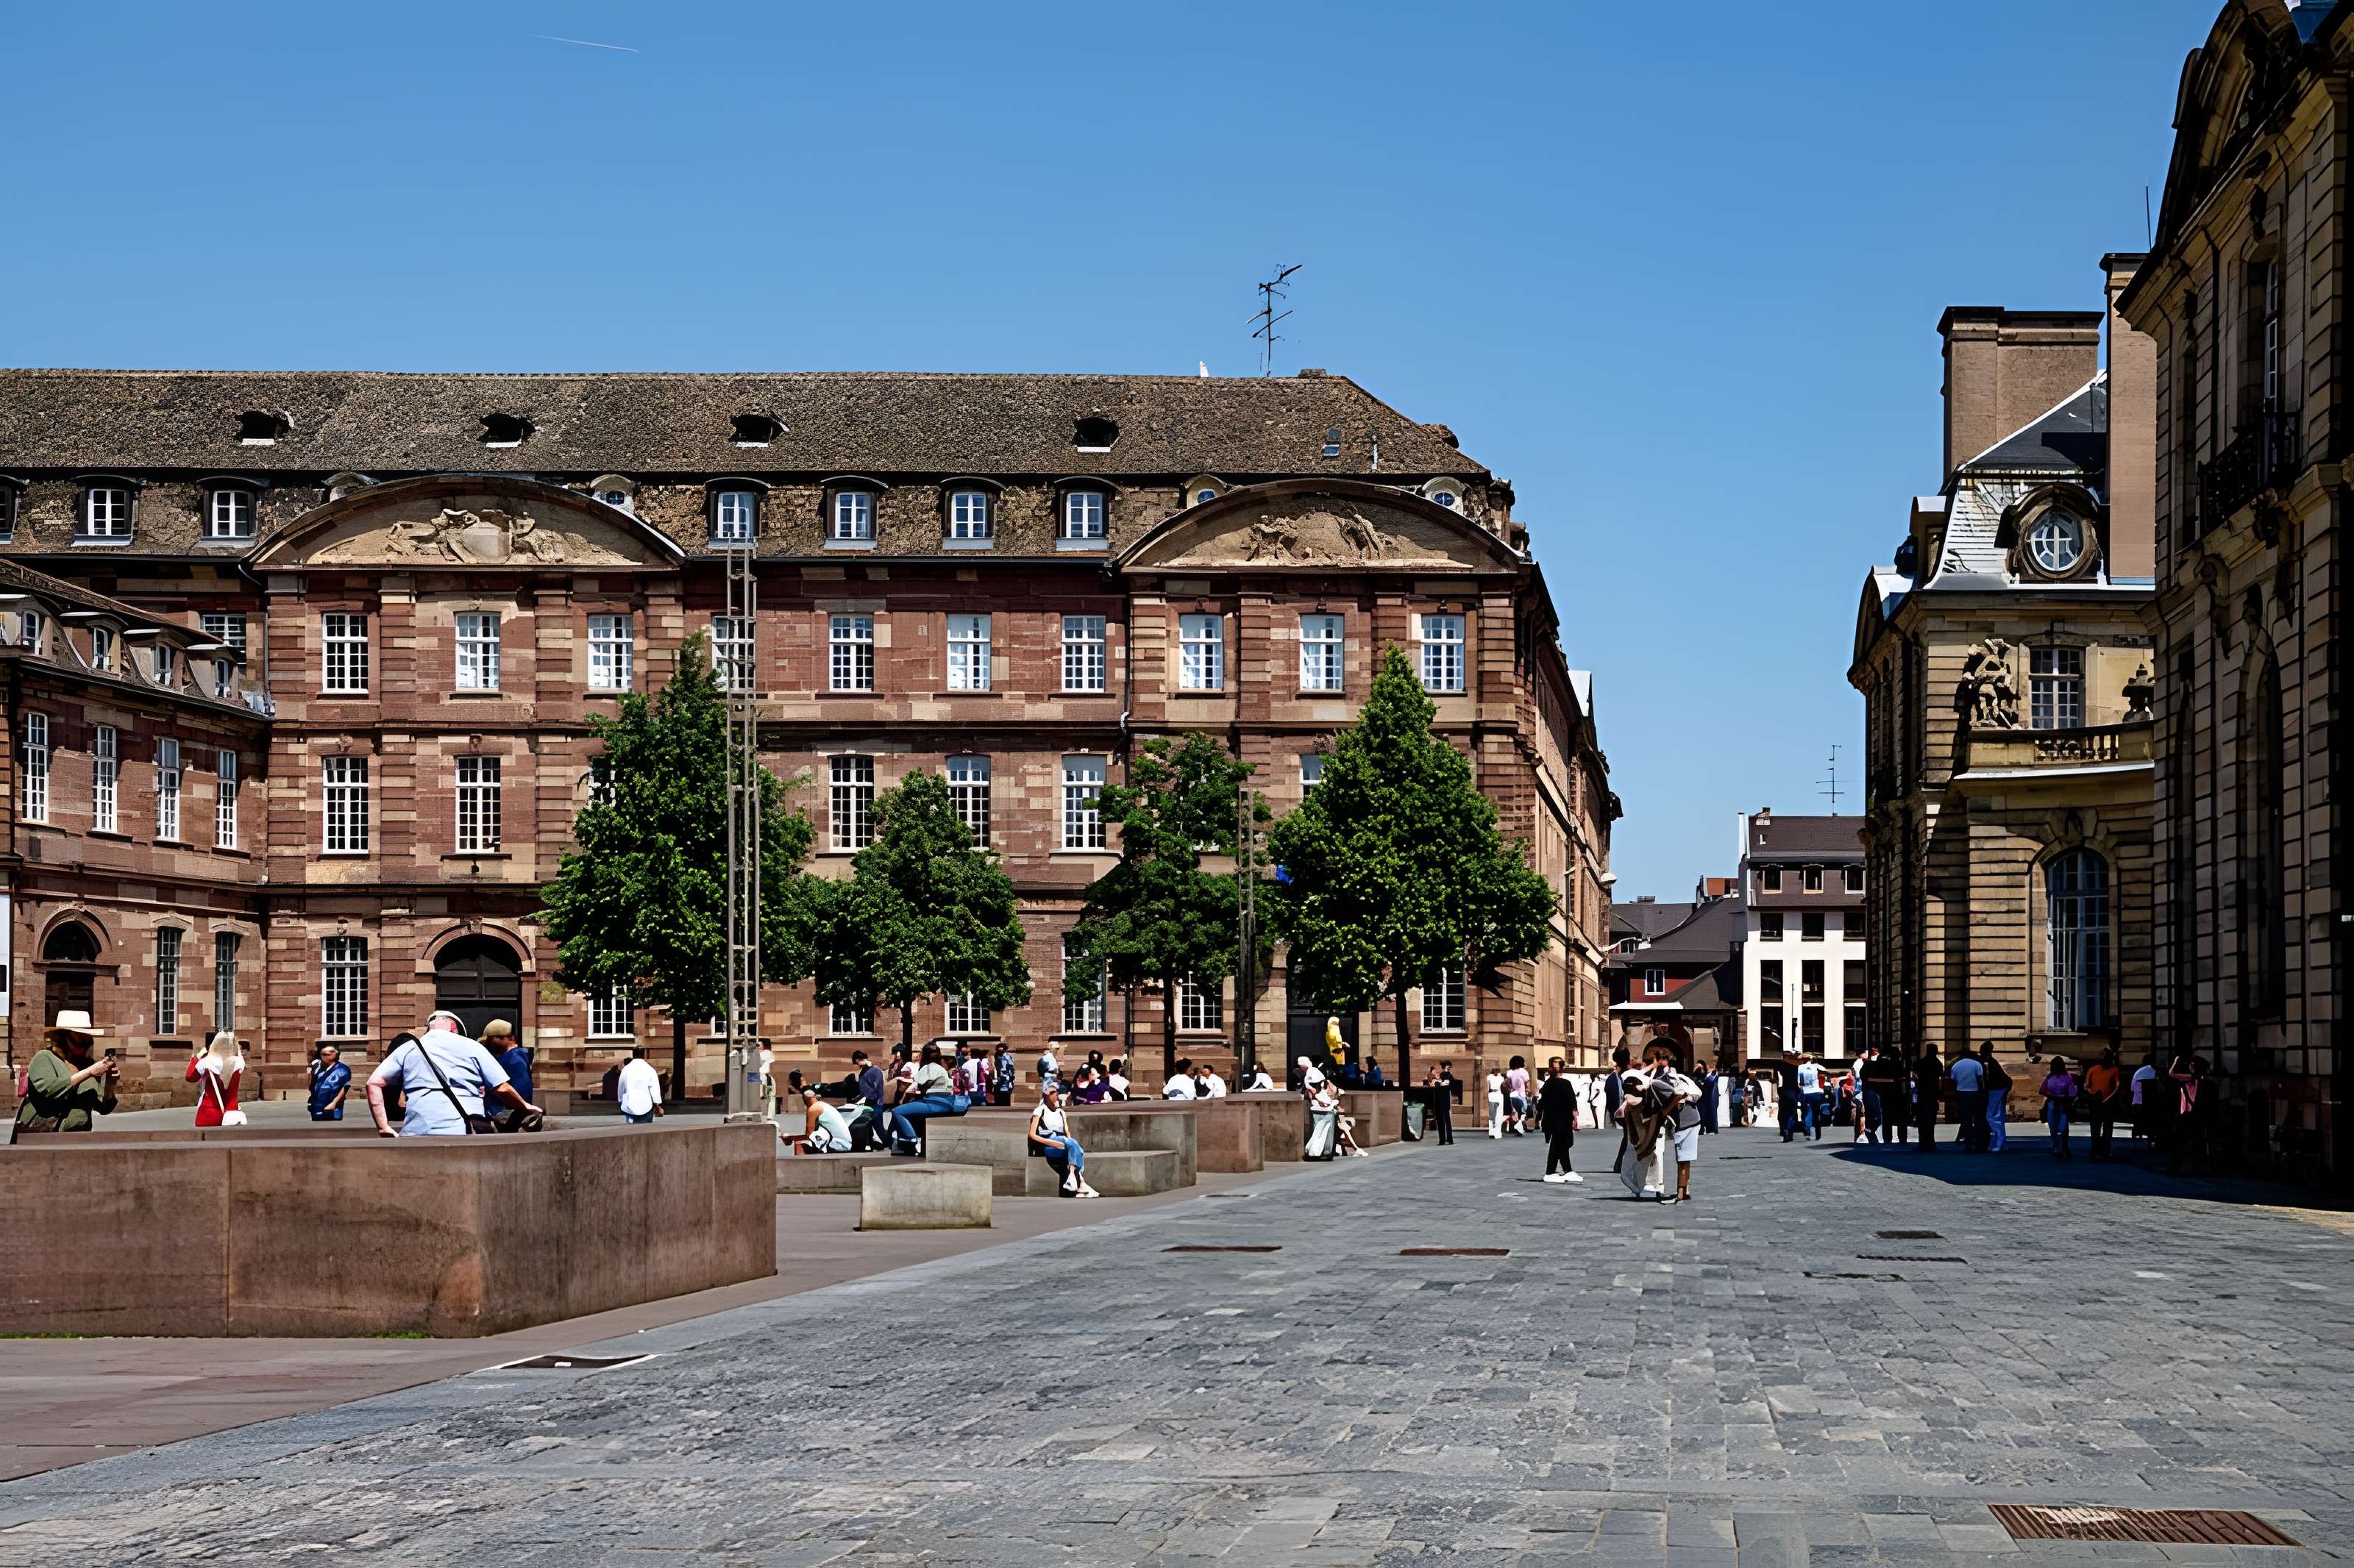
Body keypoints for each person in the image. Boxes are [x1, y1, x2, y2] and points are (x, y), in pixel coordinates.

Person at [368, 1011, 540, 1137]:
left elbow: (373, 1083)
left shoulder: (409, 1048)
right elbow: (502, 1089)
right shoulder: (473, 1046)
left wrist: (383, 1126)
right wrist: (525, 1106)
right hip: (462, 1130)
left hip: (416, 1131)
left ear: (429, 1029)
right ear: (455, 1029)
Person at [15, 1011, 118, 1133]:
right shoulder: (44, 1057)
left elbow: (103, 1108)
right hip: (43, 1136)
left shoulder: (86, 1064)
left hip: (78, 1139)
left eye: (87, 1036)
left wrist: (110, 1087)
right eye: (80, 1036)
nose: (86, 1041)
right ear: (62, 1037)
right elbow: (50, 1091)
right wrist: (89, 1072)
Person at [887, 1042, 963, 1154]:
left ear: (924, 1055)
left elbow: (917, 1085)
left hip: (934, 1104)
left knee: (897, 1111)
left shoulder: (928, 1068)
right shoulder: (942, 1070)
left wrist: (905, 1097)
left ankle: (912, 1139)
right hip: (947, 1102)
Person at [1028, 1083, 1099, 1197]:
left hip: (1063, 1142)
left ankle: (1074, 1178)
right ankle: (1080, 1182)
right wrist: (1053, 1143)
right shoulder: (1040, 1111)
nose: (1055, 1095)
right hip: (1048, 1145)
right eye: (1052, 1093)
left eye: (1056, 1092)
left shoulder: (1061, 1112)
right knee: (1074, 1146)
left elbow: (1067, 1134)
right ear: (1046, 1095)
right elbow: (1032, 1135)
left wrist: (1065, 1143)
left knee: (1076, 1148)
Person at [187, 1032, 246, 1127]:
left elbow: (190, 1077)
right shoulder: (239, 1061)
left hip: (210, 1111)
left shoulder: (208, 1061)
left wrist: (197, 1057)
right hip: (232, 1112)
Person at [1539, 1064, 1583, 1183]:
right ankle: (1550, 1172)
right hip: (1562, 1119)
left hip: (1553, 1119)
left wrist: (1539, 1117)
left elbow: (1541, 1103)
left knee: (1561, 1145)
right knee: (1558, 1145)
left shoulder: (1548, 1084)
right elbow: (1573, 1101)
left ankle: (1567, 1170)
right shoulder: (1565, 1083)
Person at [2081, 1048, 2123, 1161]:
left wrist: (2109, 1099)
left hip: (2108, 1103)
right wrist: (2093, 1095)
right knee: (2095, 1128)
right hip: (2096, 1102)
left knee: (2107, 1129)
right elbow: (2087, 1086)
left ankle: (2105, 1150)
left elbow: (2117, 1086)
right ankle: (2095, 1150)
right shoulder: (2093, 1070)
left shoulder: (2114, 1070)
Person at [481, 1020, 533, 1111]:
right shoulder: (514, 1056)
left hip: (504, 1115)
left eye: (492, 1039)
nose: (490, 1044)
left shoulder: (514, 1060)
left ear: (510, 1039)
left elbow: (523, 1092)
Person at [1947, 1046, 1987, 1152]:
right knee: (1978, 1119)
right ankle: (1979, 1144)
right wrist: (1982, 1093)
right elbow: (1980, 1080)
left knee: (1966, 1120)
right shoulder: (1976, 1064)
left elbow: (1954, 1081)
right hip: (1975, 1093)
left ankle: (1968, 1144)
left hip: (1961, 1094)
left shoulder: (1956, 1066)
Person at [2039, 1056, 2078, 1160]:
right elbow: (2042, 1090)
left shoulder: (2067, 1077)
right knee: (2053, 1126)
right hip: (2053, 1103)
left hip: (2062, 1104)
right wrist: (2050, 1094)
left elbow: (2072, 1093)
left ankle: (2064, 1148)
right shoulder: (2050, 1077)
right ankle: (2057, 1146)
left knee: (2063, 1126)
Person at [797, 1084, 854, 1153]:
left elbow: (808, 1134)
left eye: (803, 1097)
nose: (802, 1100)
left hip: (836, 1145)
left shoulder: (814, 1108)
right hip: (845, 1145)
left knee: (801, 1144)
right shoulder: (823, 1106)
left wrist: (791, 1139)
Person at [616, 1046, 664, 1125]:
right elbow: (654, 1088)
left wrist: (620, 1100)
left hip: (629, 1106)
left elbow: (621, 1087)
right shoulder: (649, 1069)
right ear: (644, 1055)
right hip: (646, 1106)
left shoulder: (626, 1069)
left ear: (633, 1055)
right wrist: (657, 1103)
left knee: (630, 1129)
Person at [1604, 1047, 1632, 1171]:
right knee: (1628, 1137)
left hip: (1621, 1112)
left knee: (1627, 1137)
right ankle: (1621, 1164)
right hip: (1625, 1112)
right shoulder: (1620, 1077)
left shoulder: (1613, 1078)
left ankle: (1619, 1164)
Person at [1980, 1042, 2011, 1152]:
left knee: (1992, 1117)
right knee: (1997, 1117)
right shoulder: (1991, 1062)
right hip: (1999, 1089)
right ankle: (1999, 1143)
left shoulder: (1988, 1063)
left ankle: (1997, 1144)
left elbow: (1987, 1080)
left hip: (1995, 1091)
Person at [307, 1043, 352, 1122]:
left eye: (327, 1054)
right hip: (317, 1109)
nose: (324, 1057)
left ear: (336, 1055)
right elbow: (312, 1086)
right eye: (322, 1054)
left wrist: (334, 1104)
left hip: (332, 1111)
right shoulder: (318, 1069)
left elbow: (344, 1088)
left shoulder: (342, 1070)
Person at [1910, 1050, 1941, 1151]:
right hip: (1933, 1094)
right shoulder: (1937, 1063)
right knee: (1931, 1121)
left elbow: (1914, 1069)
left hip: (1922, 1093)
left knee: (1922, 1121)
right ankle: (1931, 1143)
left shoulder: (1920, 1062)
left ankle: (1923, 1143)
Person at [2130, 1052, 2161, 1145]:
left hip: (2139, 1101)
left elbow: (2132, 1089)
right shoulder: (2155, 1072)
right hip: (2151, 1102)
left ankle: (2136, 1134)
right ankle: (2151, 1138)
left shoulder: (2138, 1072)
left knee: (2138, 1118)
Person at [1504, 1056, 1532, 1136]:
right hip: (1521, 1094)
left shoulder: (1510, 1072)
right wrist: (1529, 1091)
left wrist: (1510, 1089)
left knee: (1515, 1112)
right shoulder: (1523, 1071)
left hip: (1513, 1095)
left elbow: (1507, 1083)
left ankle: (1518, 1128)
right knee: (1523, 1112)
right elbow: (1527, 1082)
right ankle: (1519, 1126)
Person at [992, 1043, 1017, 1108]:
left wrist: (1010, 1078)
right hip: (998, 1081)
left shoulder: (1008, 1057)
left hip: (1005, 1081)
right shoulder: (997, 1057)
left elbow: (1011, 1068)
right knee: (998, 1100)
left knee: (1005, 1100)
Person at [1484, 1066, 1507, 1138]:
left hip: (1497, 1095)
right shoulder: (1490, 1077)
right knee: (1493, 1115)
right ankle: (1492, 1132)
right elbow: (1488, 1088)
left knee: (1497, 1115)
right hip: (1495, 1095)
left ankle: (1496, 1132)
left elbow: (1488, 1088)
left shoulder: (1500, 1078)